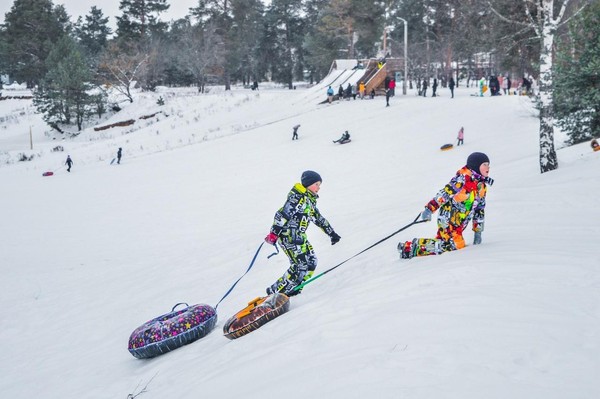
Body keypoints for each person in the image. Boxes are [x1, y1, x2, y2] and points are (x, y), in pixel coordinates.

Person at [398, 152, 494, 259]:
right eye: (484, 164)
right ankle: (410, 248)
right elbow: (445, 193)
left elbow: (479, 210)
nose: (488, 167)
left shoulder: (481, 186)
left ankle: (410, 249)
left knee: (446, 243)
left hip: (459, 223)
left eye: (488, 164)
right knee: (457, 244)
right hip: (448, 219)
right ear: (476, 165)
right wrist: (429, 209)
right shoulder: (462, 179)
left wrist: (478, 232)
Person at [264, 170, 341, 296]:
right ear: (308, 183)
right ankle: (277, 292)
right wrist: (274, 233)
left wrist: (332, 234)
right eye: (316, 184)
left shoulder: (310, 201)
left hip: (299, 237)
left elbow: (318, 218)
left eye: (319, 185)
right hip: (287, 236)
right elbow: (282, 214)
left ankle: (294, 289)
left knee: (311, 262)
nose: (319, 187)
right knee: (300, 265)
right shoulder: (297, 197)